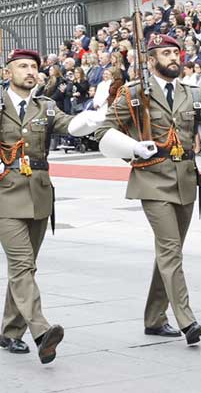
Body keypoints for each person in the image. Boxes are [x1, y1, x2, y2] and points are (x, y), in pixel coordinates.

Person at [95, 33, 201, 345]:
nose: (174, 58)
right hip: (152, 178)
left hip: (186, 178)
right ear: (150, 60)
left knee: (169, 251)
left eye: (176, 52)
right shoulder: (135, 93)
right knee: (170, 249)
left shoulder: (192, 92)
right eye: (165, 53)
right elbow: (104, 130)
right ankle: (187, 320)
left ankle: (154, 318)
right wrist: (132, 147)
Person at [0, 49, 102, 363]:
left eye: (34, 67)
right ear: (8, 73)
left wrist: (95, 114)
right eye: (22, 66)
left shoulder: (45, 107)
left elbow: (72, 126)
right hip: (4, 194)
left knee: (26, 266)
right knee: (22, 265)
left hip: (40, 194)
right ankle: (42, 332)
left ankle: (9, 331)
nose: (30, 71)